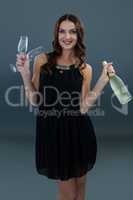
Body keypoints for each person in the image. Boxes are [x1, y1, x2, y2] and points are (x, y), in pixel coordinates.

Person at [16, 14, 115, 200]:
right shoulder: (42, 61)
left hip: (79, 132)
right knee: (67, 195)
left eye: (72, 31)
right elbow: (35, 101)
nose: (67, 36)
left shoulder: (85, 68)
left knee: (80, 190)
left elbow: (83, 108)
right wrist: (25, 73)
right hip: (53, 134)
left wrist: (103, 80)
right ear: (56, 34)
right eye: (62, 31)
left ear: (79, 35)